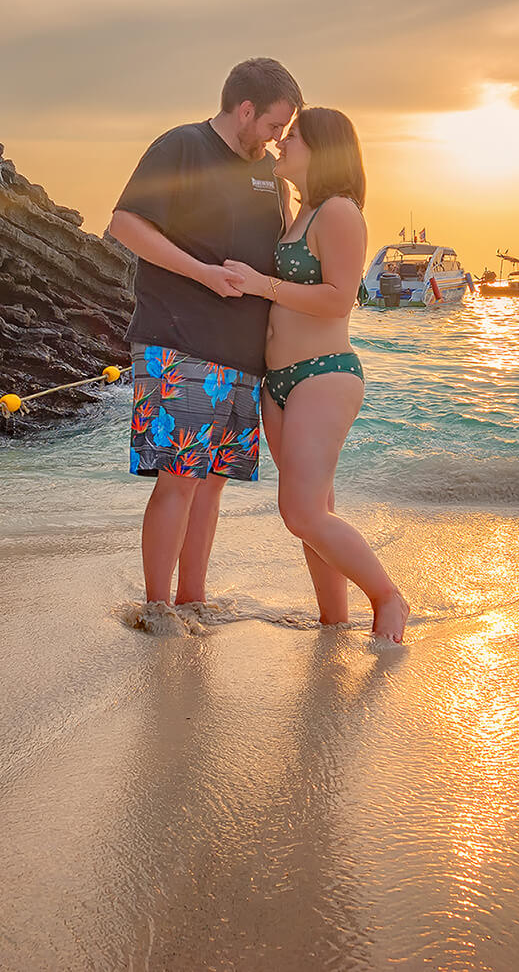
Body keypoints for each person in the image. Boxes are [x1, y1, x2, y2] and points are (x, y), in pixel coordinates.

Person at [107, 59, 303, 606]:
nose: (276, 138)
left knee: (212, 484)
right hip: (179, 340)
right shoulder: (181, 147)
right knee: (179, 478)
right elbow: (124, 224)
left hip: (244, 356)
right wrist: (202, 274)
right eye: (272, 125)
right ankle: (156, 607)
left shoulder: (267, 173)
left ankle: (193, 601)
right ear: (245, 110)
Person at [221, 108, 409, 642]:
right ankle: (334, 621)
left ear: (322, 150)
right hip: (278, 384)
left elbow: (338, 298)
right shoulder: (298, 215)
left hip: (323, 375)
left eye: (294, 136)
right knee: (315, 511)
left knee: (300, 511)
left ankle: (389, 597)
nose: (282, 143)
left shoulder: (340, 213)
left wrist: (261, 285)